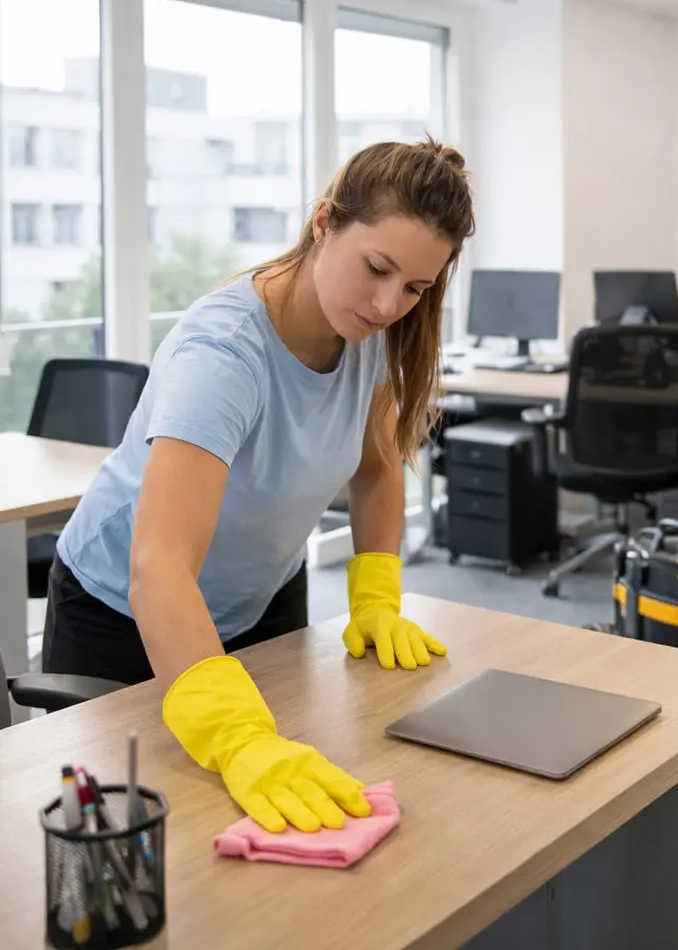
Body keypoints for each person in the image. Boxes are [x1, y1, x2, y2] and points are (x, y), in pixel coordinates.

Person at [42, 137, 476, 833]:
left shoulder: (371, 334)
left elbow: (376, 468)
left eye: (416, 288)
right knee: (133, 838)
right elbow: (158, 568)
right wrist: (238, 737)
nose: (390, 304)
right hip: (123, 614)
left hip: (261, 600)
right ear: (324, 222)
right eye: (377, 269)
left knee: (283, 818)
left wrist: (376, 593)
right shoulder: (223, 354)